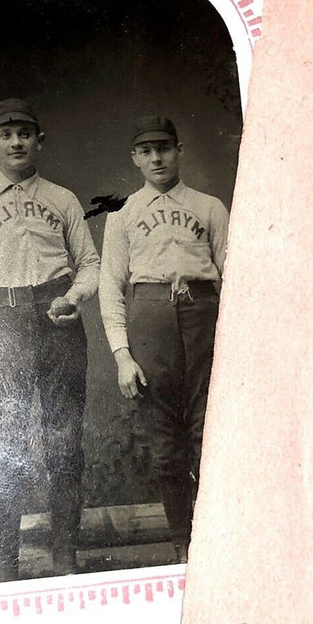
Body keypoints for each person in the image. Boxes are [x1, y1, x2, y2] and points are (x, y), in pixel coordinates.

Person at [0, 98, 99, 582]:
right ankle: (6, 566)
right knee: (2, 444)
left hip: (57, 322)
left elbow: (91, 264)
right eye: (6, 135)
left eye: (25, 134)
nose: (16, 142)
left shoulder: (63, 198)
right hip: (1, 325)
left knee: (64, 443)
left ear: (39, 141)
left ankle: (65, 557)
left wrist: (74, 296)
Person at [99, 116, 229, 562]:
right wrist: (121, 355)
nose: (157, 158)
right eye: (147, 151)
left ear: (180, 151)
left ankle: (216, 540)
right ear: (135, 158)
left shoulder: (210, 206)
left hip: (204, 315)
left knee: (208, 432)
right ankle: (183, 543)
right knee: (164, 442)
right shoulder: (123, 213)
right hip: (150, 319)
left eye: (165, 148)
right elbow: (111, 286)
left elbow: (236, 277)